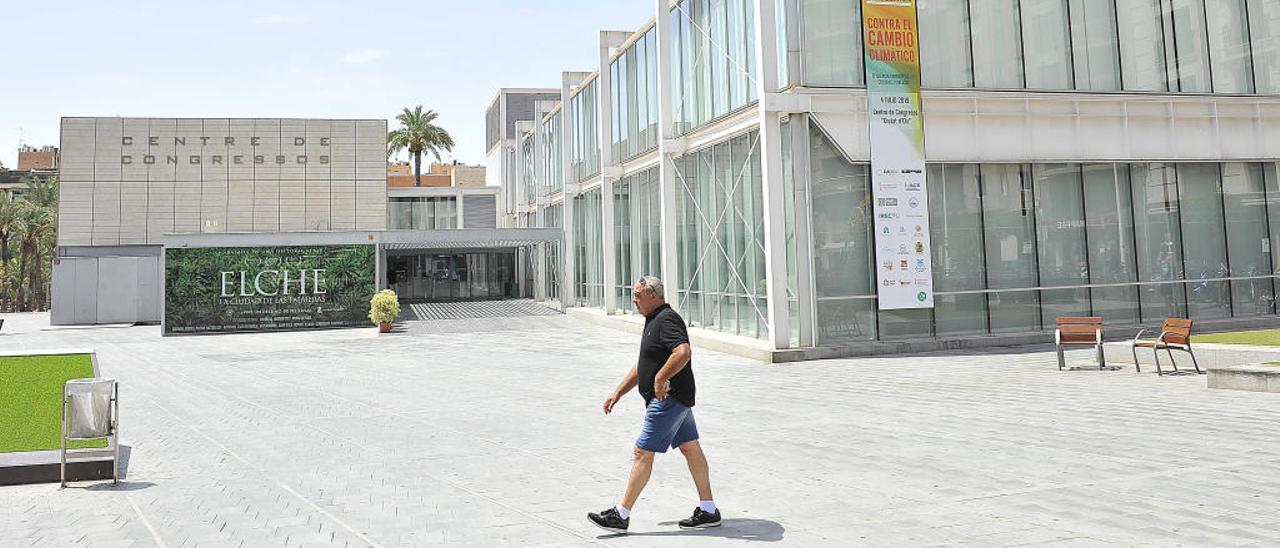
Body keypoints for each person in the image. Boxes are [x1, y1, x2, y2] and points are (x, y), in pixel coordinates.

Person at [587, 276, 721, 534]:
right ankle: (708, 510)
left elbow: (682, 351)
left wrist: (661, 379)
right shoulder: (653, 321)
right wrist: (618, 392)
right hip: (676, 399)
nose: (633, 299)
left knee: (642, 452)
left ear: (652, 294)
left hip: (667, 400)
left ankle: (621, 514)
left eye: (637, 294)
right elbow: (644, 363)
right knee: (690, 449)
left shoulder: (666, 319)